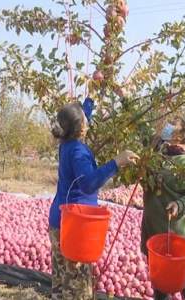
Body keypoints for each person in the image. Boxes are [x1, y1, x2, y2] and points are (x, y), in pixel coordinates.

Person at [49, 99, 139, 300]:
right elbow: (88, 183)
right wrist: (117, 162)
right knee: (78, 288)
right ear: (80, 127)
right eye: (85, 120)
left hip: (59, 220)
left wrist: (91, 97)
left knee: (61, 282)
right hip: (75, 225)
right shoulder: (78, 151)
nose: (88, 123)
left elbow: (79, 117)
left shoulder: (66, 144)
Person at [141, 116, 185, 300]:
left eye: (172, 127)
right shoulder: (159, 153)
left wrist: (179, 205)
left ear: (179, 137)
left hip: (173, 233)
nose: (167, 128)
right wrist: (123, 97)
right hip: (152, 230)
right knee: (159, 282)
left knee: (184, 280)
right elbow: (143, 130)